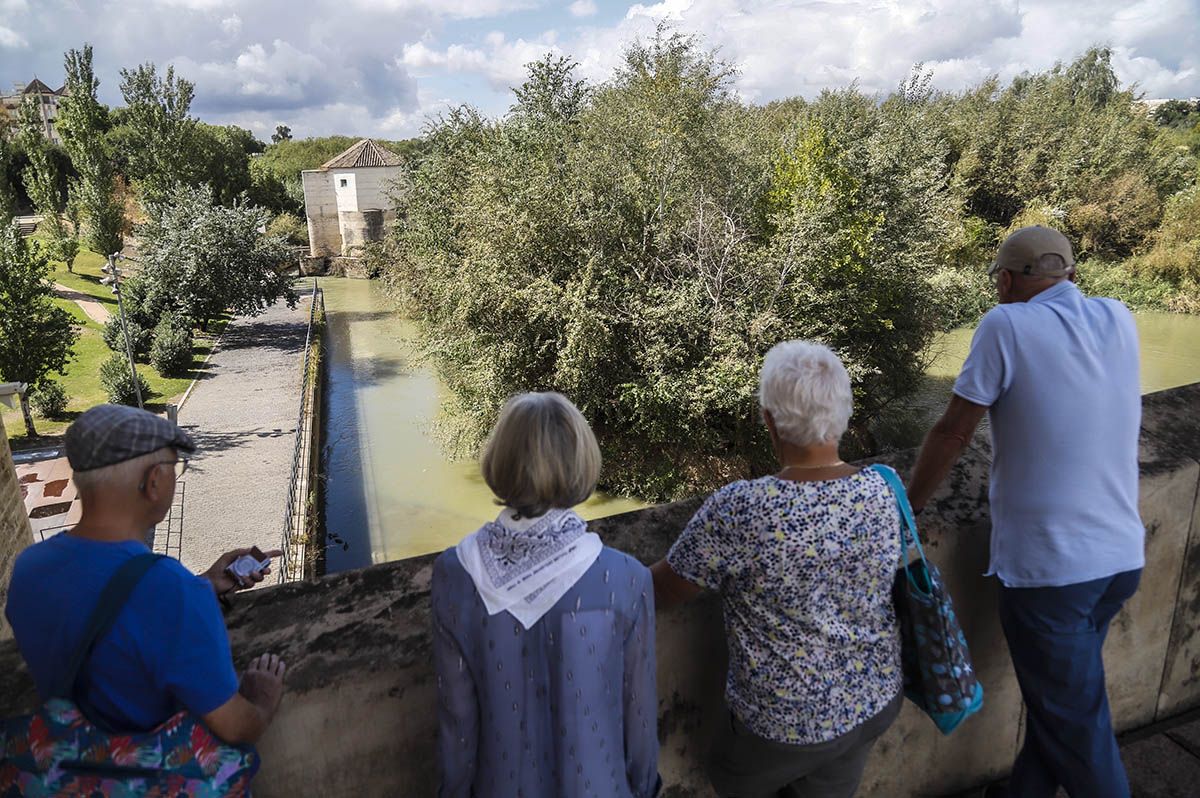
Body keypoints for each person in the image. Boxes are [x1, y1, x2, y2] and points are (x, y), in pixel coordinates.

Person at [906, 226, 1143, 798]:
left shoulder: (1005, 324)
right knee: (1061, 706)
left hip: (1053, 572)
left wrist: (906, 506)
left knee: (1079, 728)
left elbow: (955, 430)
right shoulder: (1119, 315)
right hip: (1119, 560)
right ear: (1071, 277)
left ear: (1006, 282)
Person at [651, 340, 903, 798]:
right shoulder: (884, 488)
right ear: (844, 411)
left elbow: (660, 591)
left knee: (732, 776)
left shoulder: (742, 508)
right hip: (873, 697)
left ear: (769, 419)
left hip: (785, 724)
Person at [5, 404, 287, 745]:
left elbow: (111, 607)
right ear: (153, 482)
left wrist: (206, 584)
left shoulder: (29, 568)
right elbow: (238, 728)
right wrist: (261, 697)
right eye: (174, 466)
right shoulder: (175, 592)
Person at [432, 392, 660, 798]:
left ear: (499, 460)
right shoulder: (626, 579)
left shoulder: (454, 574)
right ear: (581, 464)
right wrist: (644, 790)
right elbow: (639, 719)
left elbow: (457, 723)